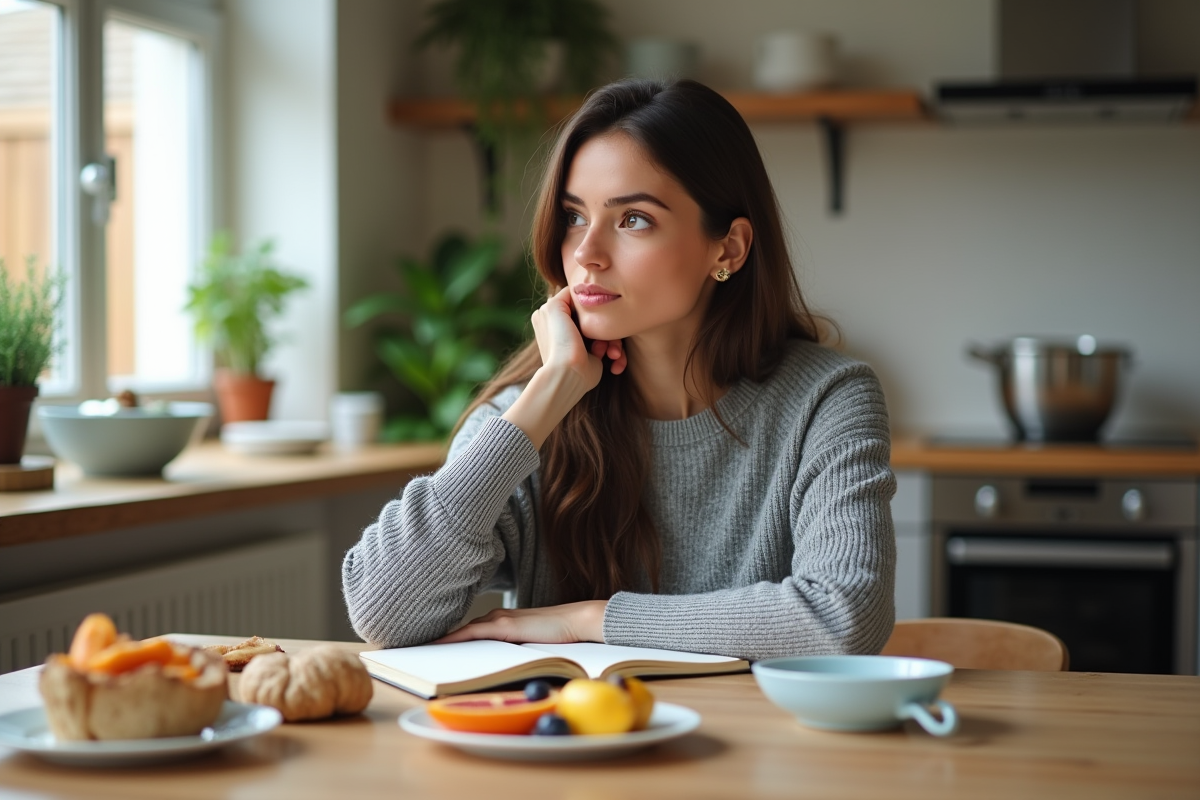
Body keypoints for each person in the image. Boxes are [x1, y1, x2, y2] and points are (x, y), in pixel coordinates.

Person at [342, 78, 895, 660]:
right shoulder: (528, 417)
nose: (586, 254)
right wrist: (545, 396)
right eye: (574, 216)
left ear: (727, 249)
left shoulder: (827, 400)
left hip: (757, 749)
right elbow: (381, 610)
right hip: (571, 746)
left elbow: (843, 618)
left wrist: (591, 620)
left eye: (633, 219)